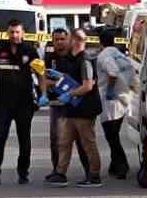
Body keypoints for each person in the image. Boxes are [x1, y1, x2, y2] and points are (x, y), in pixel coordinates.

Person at [0, 18, 41, 185]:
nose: (14, 35)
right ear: (7, 33)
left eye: (17, 32)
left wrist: (43, 93)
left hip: (24, 103)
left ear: (22, 33)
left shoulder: (30, 51)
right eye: (12, 32)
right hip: (3, 103)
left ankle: (23, 173)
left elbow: (40, 73)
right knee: (0, 138)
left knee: (25, 140)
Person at [45, 30, 102, 187]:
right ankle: (60, 173)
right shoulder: (72, 59)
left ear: (75, 40)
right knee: (64, 142)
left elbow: (87, 86)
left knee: (88, 144)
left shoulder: (85, 60)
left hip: (84, 109)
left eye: (68, 38)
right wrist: (58, 77)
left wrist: (69, 94)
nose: (64, 42)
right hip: (71, 109)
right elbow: (70, 79)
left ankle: (94, 175)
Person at [93, 26, 132, 179]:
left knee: (112, 136)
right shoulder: (119, 54)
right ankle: (114, 165)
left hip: (110, 101)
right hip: (123, 98)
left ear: (99, 42)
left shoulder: (103, 56)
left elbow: (113, 72)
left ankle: (122, 166)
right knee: (113, 134)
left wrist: (109, 89)